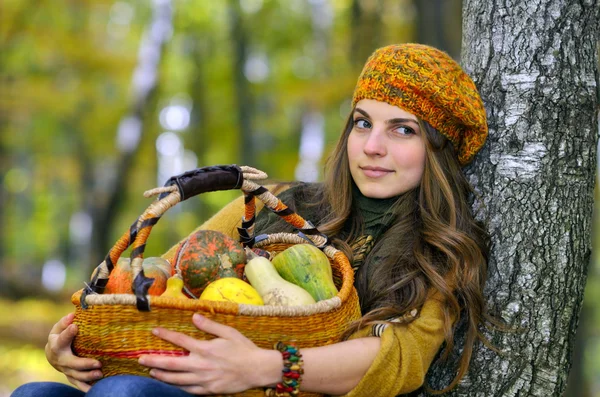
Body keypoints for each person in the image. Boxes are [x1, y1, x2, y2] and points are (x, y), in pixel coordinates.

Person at [12, 43, 495, 397]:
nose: (372, 146)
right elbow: (166, 270)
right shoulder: (275, 202)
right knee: (35, 395)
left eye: (402, 130)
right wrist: (75, 334)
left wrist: (266, 366)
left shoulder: (440, 248)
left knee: (125, 396)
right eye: (364, 122)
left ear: (438, 150)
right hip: (188, 381)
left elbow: (400, 359)